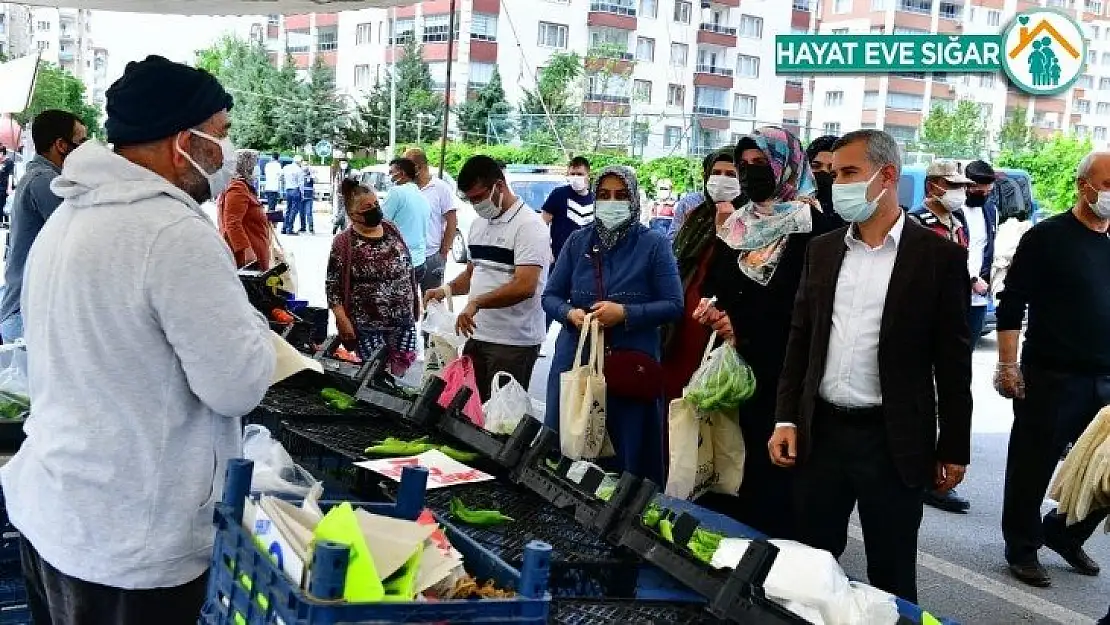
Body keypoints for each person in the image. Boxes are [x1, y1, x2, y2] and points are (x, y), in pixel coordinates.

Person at [1, 55, 275, 625]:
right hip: (132, 542)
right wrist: (255, 327)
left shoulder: (70, 217)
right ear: (183, 141)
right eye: (220, 133)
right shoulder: (172, 233)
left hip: (56, 511)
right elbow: (237, 386)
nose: (226, 151)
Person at [771, 129, 972, 603]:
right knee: (810, 569)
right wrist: (785, 417)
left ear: (887, 177)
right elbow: (800, 341)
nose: (835, 183)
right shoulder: (822, 251)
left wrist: (954, 446)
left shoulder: (937, 257)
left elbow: (953, 360)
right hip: (822, 433)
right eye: (833, 173)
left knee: (891, 570)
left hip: (893, 439)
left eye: (848, 173)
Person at [691, 126, 842, 539]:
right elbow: (715, 285)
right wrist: (714, 310)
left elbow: (809, 307)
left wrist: (745, 328)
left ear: (785, 166)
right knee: (724, 470)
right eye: (744, 165)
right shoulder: (736, 225)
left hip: (780, 374)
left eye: (761, 164)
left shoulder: (817, 228)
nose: (750, 172)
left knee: (771, 484)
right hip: (731, 374)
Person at [996, 151, 1110, 588]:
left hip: (1104, 379)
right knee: (1032, 466)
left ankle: (1063, 532)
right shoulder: (1047, 237)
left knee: (1104, 470)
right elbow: (1012, 304)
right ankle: (1022, 548)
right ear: (1084, 186)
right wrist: (1008, 365)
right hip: (1052, 376)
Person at [542, 166, 682, 484]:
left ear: (633, 198)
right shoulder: (578, 242)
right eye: (604, 195)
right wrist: (569, 314)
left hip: (628, 371)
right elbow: (550, 295)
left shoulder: (654, 244)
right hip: (577, 365)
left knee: (625, 467)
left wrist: (626, 313)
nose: (612, 201)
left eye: (621, 195)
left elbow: (674, 305)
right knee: (568, 459)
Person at [423, 155, 549, 401]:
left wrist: (477, 303)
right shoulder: (479, 224)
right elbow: (473, 273)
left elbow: (525, 285)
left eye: (479, 197)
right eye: (470, 200)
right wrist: (446, 289)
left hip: (513, 343)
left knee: (500, 421)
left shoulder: (530, 227)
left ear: (499, 187)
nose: (476, 204)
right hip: (476, 336)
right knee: (469, 411)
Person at [662, 149, 747, 403]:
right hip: (680, 327)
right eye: (716, 173)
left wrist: (726, 229)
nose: (722, 180)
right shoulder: (696, 216)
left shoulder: (754, 222)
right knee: (675, 408)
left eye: (731, 174)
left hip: (718, 331)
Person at [0, 110, 87, 343]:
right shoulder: (44, 181)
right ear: (61, 145)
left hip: (26, 311)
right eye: (81, 142)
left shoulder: (40, 177)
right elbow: (81, 236)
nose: (86, 151)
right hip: (25, 316)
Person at [328, 180, 420, 376]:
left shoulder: (391, 228)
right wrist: (343, 320)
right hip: (367, 324)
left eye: (376, 205)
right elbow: (333, 287)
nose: (374, 210)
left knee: (399, 371)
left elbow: (407, 267)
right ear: (353, 215)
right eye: (367, 208)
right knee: (374, 374)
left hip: (402, 320)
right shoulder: (344, 242)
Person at [403, 147, 457, 293]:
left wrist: (444, 252)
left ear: (418, 168)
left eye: (407, 168)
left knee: (433, 303)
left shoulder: (441, 188)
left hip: (432, 256)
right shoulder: (404, 189)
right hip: (407, 256)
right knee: (407, 303)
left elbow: (452, 222)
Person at [962, 160, 999, 344]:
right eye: (979, 191)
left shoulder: (991, 210)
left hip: (979, 299)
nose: (984, 196)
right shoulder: (954, 210)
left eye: (988, 192)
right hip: (955, 295)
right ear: (968, 186)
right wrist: (972, 279)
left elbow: (989, 249)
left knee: (969, 353)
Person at [217, 149, 271, 270]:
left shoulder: (243, 186)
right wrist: (247, 251)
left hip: (255, 250)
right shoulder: (238, 187)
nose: (257, 169)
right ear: (246, 165)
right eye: (255, 164)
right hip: (248, 257)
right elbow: (232, 223)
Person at [383, 157, 430, 284]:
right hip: (419, 262)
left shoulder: (396, 192)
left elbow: (379, 223)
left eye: (392, 172)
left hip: (400, 262)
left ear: (402, 173)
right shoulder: (422, 197)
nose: (390, 176)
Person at [541, 156, 595, 262]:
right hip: (560, 259)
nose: (575, 177)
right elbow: (542, 224)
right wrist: (546, 249)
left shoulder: (595, 200)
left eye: (580, 174)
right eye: (572, 174)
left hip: (586, 261)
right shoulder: (558, 194)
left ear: (588, 175)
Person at [909, 160, 970, 246]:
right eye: (952, 184)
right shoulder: (915, 222)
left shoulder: (957, 221)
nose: (959, 190)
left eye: (962, 185)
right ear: (930, 187)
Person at [806, 134, 839, 214]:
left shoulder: (852, 214)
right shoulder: (792, 207)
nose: (824, 173)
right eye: (815, 166)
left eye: (832, 169)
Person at [281, 155, 305, 235]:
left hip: (288, 190)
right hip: (295, 190)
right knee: (294, 210)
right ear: (300, 162)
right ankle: (289, 229)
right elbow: (301, 184)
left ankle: (284, 227)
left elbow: (281, 177)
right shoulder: (299, 170)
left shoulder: (286, 168)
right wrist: (302, 194)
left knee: (288, 209)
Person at [333, 159, 353, 235]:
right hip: (339, 195)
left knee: (345, 211)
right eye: (342, 163)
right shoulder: (338, 172)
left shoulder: (351, 172)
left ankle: (337, 223)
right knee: (340, 210)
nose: (343, 164)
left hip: (348, 195)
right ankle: (341, 228)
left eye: (344, 163)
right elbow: (336, 183)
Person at [0, 146, 14, 228]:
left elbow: (10, 175)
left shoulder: (9, 162)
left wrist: (9, 187)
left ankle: (5, 222)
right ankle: (1, 221)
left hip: (4, 187)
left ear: (2, 153)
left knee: (4, 204)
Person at [301, 161, 316, 234]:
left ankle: (311, 228)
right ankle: (303, 227)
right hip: (301, 196)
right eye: (304, 165)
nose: (305, 166)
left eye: (306, 165)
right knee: (301, 213)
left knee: (308, 213)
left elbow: (316, 180)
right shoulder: (299, 174)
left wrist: (312, 175)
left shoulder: (311, 175)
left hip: (309, 197)